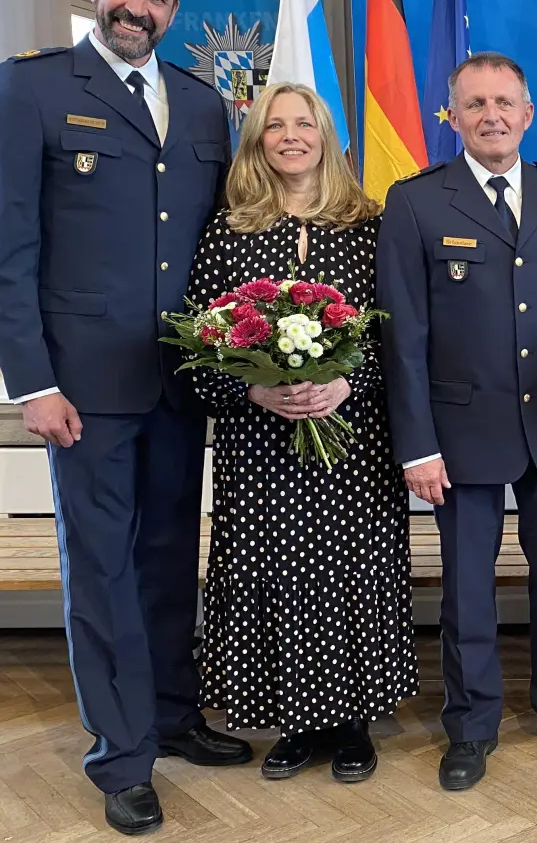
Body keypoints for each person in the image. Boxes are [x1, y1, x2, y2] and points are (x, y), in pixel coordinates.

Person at [0, 0, 251, 833]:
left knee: (171, 560)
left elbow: (217, 244)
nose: (138, 6)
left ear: (176, 8)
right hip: (83, 390)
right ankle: (121, 756)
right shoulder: (33, 88)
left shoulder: (206, 105)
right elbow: (7, 252)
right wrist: (32, 382)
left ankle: (172, 717)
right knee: (102, 570)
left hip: (178, 384)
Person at [377, 52, 537, 792]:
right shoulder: (414, 202)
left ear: (528, 113)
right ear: (453, 117)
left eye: (505, 102)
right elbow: (402, 336)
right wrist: (416, 444)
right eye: (475, 104)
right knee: (468, 591)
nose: (492, 116)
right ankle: (471, 725)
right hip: (460, 432)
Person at [186, 83, 418, 785]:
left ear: (326, 135)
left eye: (304, 123)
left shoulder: (371, 225)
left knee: (350, 573)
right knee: (277, 576)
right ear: (257, 140)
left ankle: (352, 723)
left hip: (352, 440)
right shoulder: (228, 230)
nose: (291, 136)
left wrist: (349, 382)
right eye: (275, 125)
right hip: (260, 451)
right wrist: (253, 387)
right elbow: (197, 345)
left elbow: (401, 331)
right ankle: (294, 722)